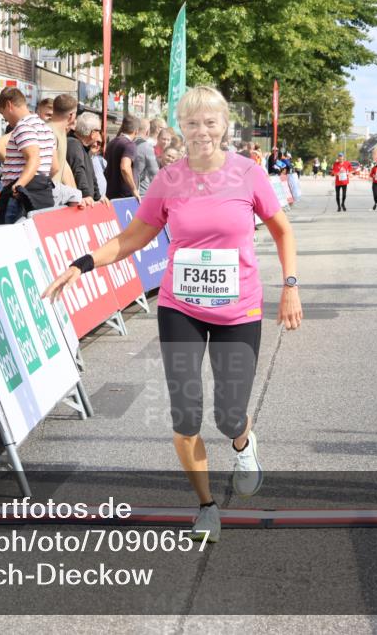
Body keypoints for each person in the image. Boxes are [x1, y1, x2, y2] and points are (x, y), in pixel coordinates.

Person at [43, 86, 302, 543]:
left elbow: (282, 231)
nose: (202, 131)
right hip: (180, 307)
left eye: (211, 122)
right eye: (193, 123)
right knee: (186, 415)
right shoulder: (169, 179)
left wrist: (291, 286)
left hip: (238, 310)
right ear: (182, 127)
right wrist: (80, 264)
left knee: (227, 414)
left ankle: (242, 442)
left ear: (224, 126)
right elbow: (134, 237)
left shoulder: (248, 174)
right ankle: (206, 505)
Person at [0, 87, 58, 222]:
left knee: (8, 238)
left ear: (9, 105)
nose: (5, 119)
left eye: (3, 113)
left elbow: (33, 160)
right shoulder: (46, 128)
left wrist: (18, 186)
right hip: (42, 193)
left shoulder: (23, 127)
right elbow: (54, 167)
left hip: (19, 196)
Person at [67, 111, 101, 201]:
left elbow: (92, 177)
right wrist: (85, 195)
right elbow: (78, 170)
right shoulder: (74, 143)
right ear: (93, 133)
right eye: (99, 131)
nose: (99, 134)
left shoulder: (84, 148)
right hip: (80, 203)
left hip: (88, 202)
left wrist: (98, 197)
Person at [105, 113, 139, 199]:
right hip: (124, 198)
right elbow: (125, 167)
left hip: (110, 194)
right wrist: (134, 189)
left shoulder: (111, 143)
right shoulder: (129, 145)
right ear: (136, 131)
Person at [47, 94, 78, 187]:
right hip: (46, 194)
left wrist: (75, 194)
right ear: (71, 115)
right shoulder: (48, 131)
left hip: (54, 194)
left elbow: (63, 166)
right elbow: (54, 168)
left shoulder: (61, 132)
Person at [133, 116, 160, 196]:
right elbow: (155, 173)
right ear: (147, 132)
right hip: (140, 191)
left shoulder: (126, 142)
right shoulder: (146, 147)